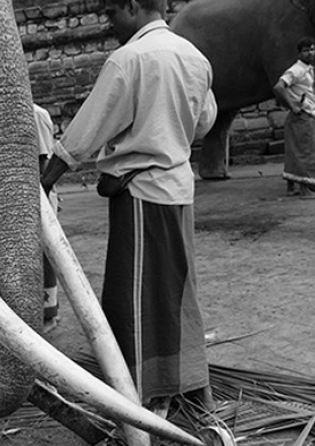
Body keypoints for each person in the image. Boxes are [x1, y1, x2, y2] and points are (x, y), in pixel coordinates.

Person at [40, 0, 216, 409]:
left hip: (141, 194)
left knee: (136, 297)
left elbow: (89, 125)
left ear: (133, 6)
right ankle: (191, 384)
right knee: (176, 289)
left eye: (111, 13)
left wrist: (46, 179)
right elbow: (204, 120)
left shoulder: (129, 59)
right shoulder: (195, 57)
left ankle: (141, 395)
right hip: (178, 189)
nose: (109, 23)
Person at [273, 37, 315, 199]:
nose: (310, 53)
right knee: (309, 152)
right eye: (306, 50)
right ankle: (305, 190)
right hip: (302, 115)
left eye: (312, 49)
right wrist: (292, 106)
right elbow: (279, 87)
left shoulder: (308, 69)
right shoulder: (297, 70)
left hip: (304, 114)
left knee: (294, 151)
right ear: (299, 53)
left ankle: (291, 188)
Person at [34, 103, 60, 332]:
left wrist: (45, 195)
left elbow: (44, 159)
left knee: (45, 254)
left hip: (38, 191)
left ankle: (49, 312)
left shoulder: (35, 114)